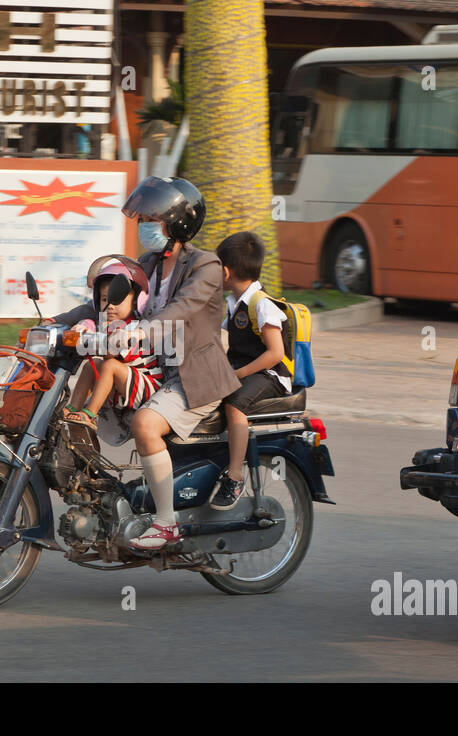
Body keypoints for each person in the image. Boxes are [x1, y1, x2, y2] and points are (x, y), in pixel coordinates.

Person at [50, 176, 240, 550]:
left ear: (177, 224)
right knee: (77, 393)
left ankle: (166, 524)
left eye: (152, 221)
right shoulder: (148, 264)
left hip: (193, 378)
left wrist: (141, 332)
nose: (144, 228)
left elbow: (181, 309)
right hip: (152, 370)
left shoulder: (206, 266)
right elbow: (104, 303)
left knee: (145, 423)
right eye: (142, 221)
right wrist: (55, 323)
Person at [210, 231, 289, 510]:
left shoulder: (261, 304)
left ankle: (234, 475)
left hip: (271, 375)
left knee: (235, 404)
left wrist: (238, 374)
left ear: (227, 272)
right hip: (245, 370)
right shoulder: (234, 304)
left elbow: (276, 353)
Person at [62, 256, 161, 430]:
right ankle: (73, 407)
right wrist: (81, 329)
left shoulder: (135, 328)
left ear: (137, 300)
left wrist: (91, 341)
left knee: (109, 365)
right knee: (91, 366)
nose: (110, 305)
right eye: (104, 299)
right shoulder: (104, 323)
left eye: (117, 299)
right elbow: (90, 327)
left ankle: (90, 414)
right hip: (123, 385)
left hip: (148, 388)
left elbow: (111, 353)